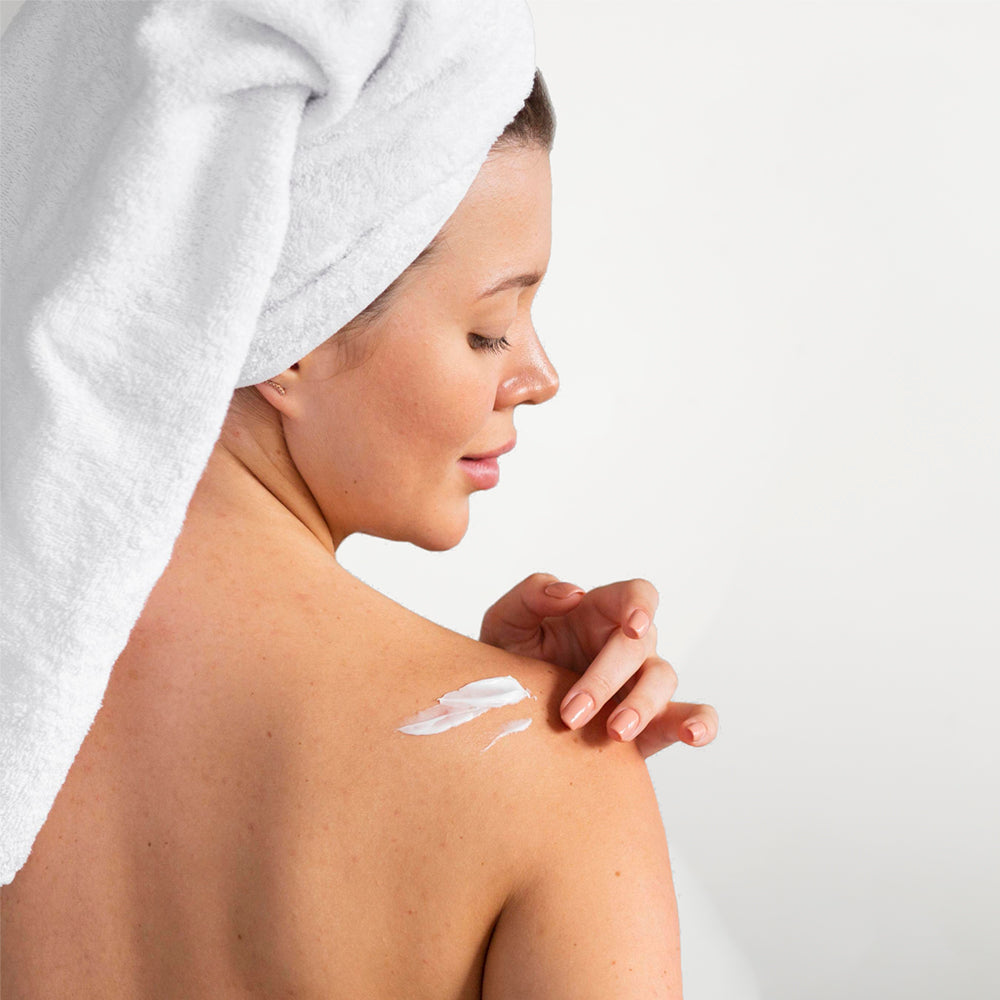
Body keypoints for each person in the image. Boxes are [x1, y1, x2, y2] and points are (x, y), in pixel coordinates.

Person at [1, 56, 718, 1000]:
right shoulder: (550, 784)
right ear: (288, 334)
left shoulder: (24, 706)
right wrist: (550, 750)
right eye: (490, 330)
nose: (539, 376)